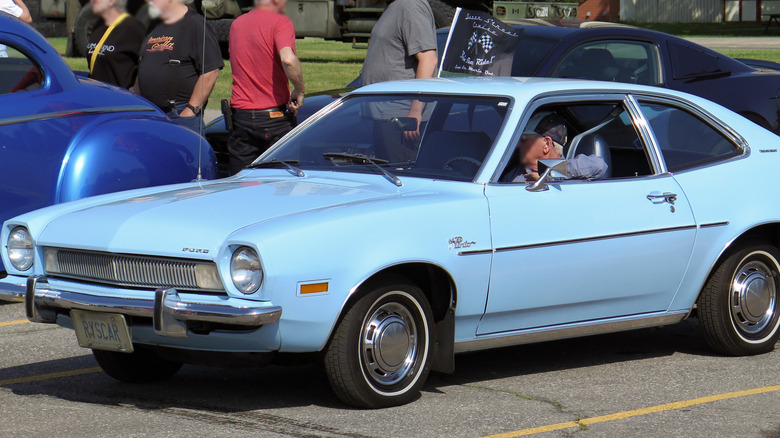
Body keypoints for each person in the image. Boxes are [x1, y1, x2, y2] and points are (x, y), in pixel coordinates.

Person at [226, 0, 304, 175]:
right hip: (274, 118)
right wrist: (299, 90)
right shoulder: (281, 22)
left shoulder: (237, 24)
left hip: (241, 115)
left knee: (241, 183)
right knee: (281, 183)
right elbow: (288, 59)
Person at [361, 0, 437, 162]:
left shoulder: (410, 5)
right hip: (387, 116)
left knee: (401, 178)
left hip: (402, 120)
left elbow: (428, 59)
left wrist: (415, 111)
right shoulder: (394, 6)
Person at [133, 0, 223, 133]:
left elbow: (211, 70)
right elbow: (144, 64)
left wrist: (191, 109)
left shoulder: (195, 23)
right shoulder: (153, 25)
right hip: (152, 112)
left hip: (179, 114)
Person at [503, 114, 608, 183]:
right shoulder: (512, 177)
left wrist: (549, 173)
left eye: (524, 140)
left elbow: (599, 166)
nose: (518, 145)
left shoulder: (576, 172)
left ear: (546, 144)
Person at [86, 0, 145, 89]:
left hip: (120, 99)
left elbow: (148, 66)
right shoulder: (98, 26)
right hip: (97, 97)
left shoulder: (133, 28)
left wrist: (134, 91)